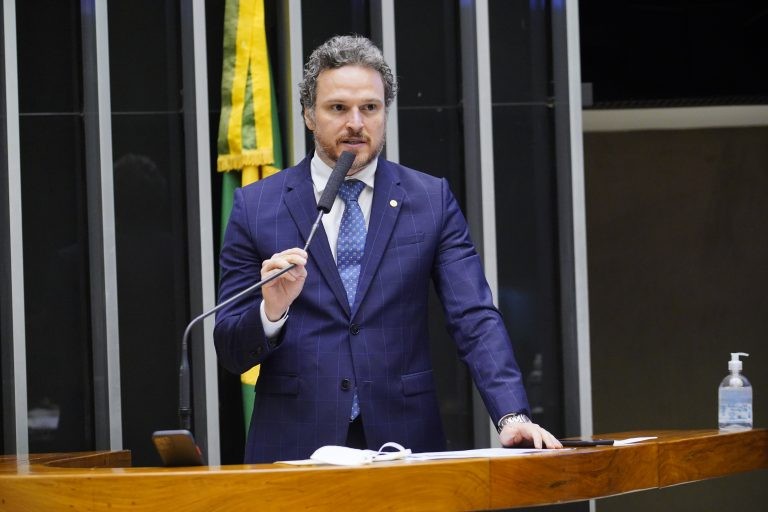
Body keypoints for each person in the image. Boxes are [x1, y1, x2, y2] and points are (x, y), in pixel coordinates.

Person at [214, 34, 562, 463]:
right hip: (293, 444)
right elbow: (230, 349)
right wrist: (272, 312)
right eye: (338, 108)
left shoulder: (430, 199)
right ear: (308, 113)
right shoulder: (256, 206)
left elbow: (473, 316)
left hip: (404, 440)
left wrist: (511, 415)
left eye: (370, 108)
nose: (356, 123)